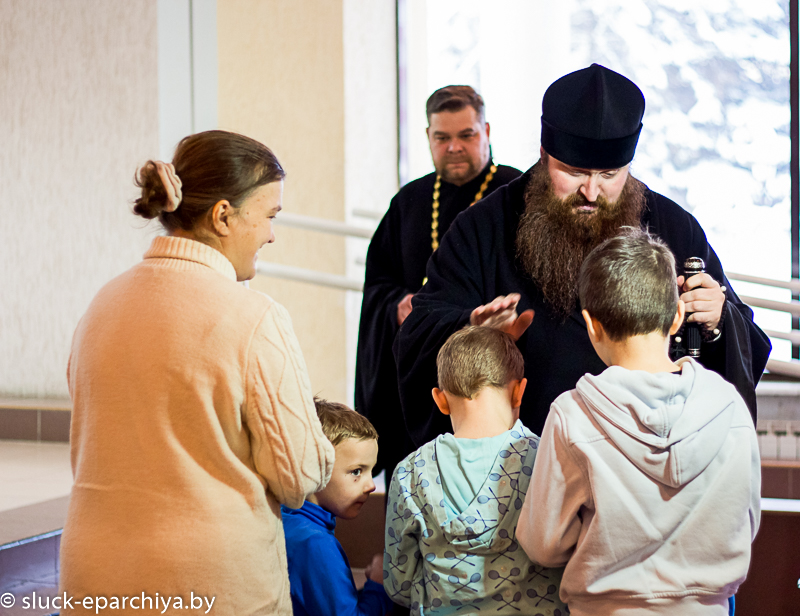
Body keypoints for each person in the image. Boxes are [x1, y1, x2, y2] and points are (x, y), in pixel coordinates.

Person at [394, 64, 770, 450]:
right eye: (574, 172)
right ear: (544, 155)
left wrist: (718, 318)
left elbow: (746, 345)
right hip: (520, 468)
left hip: (647, 465)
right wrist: (471, 329)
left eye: (609, 174)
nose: (591, 191)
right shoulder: (484, 227)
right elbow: (420, 333)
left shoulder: (673, 226)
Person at [61, 130, 335, 615]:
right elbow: (300, 476)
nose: (272, 234)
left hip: (92, 577)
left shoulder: (101, 304)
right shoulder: (253, 318)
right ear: (223, 215)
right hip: (206, 584)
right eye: (269, 216)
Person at [516, 230, 761, 616]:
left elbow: (542, 543)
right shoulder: (729, 406)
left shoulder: (573, 414)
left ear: (591, 325)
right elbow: (745, 524)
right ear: (678, 315)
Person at [356, 85, 523, 476]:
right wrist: (396, 304)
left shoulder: (515, 196)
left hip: (492, 370)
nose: (453, 147)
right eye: (441, 137)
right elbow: (378, 283)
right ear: (428, 138)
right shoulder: (409, 202)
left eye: (466, 135)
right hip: (420, 366)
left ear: (486, 132)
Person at [384, 326, 567, 616]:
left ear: (440, 400)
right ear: (519, 392)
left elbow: (399, 585)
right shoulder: (548, 459)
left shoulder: (410, 473)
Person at [281, 398, 393, 616]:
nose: (370, 485)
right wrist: (378, 585)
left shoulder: (288, 521)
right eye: (356, 471)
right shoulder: (315, 544)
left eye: (371, 470)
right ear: (313, 468)